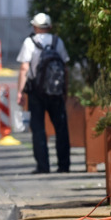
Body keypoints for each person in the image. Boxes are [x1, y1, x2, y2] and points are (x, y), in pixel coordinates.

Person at [16, 12, 71, 174]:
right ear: (50, 27)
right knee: (61, 129)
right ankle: (64, 165)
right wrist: (65, 90)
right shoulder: (57, 41)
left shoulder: (29, 42)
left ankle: (43, 166)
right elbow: (65, 68)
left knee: (38, 129)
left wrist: (20, 92)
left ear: (35, 27)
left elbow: (24, 68)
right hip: (56, 91)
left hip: (36, 92)